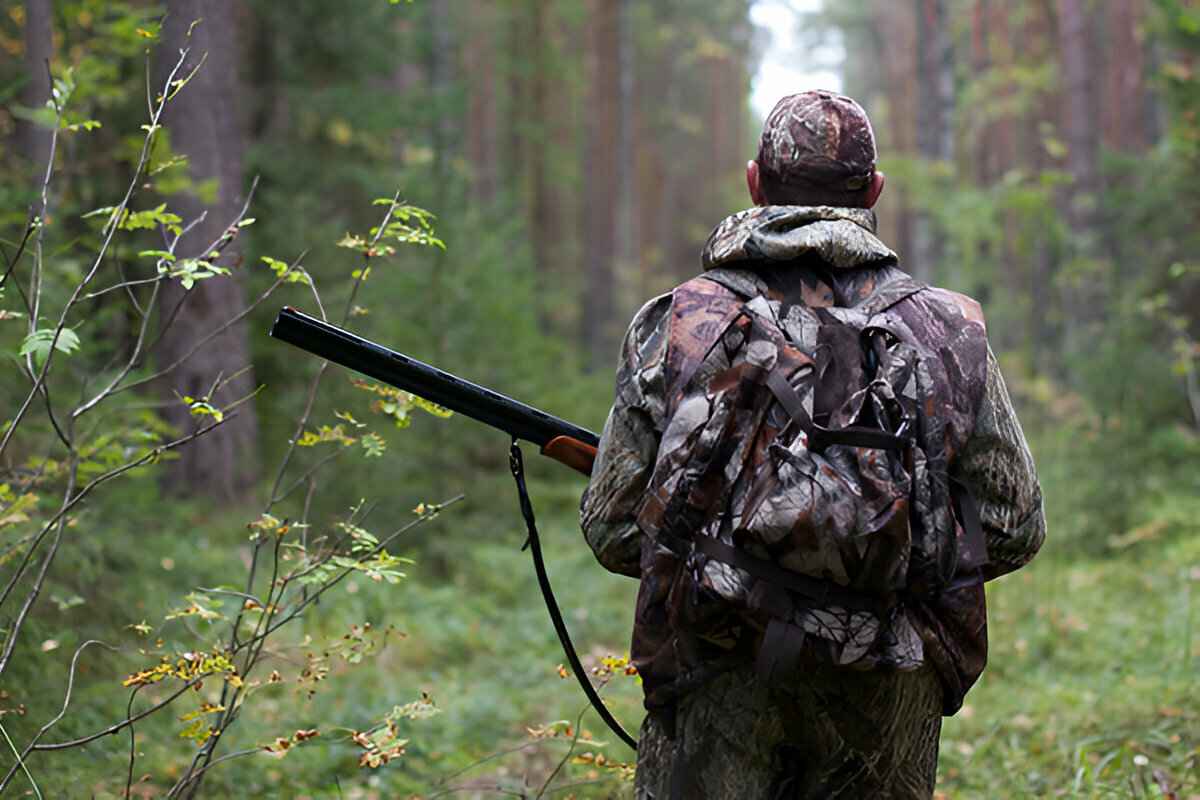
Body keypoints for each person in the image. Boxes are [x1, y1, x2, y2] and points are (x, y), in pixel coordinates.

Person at [580, 91, 1046, 799]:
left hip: (715, 671)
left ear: (754, 182)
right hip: (891, 678)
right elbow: (1015, 527)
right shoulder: (949, 328)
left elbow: (612, 529)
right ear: (874, 191)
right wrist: (883, 560)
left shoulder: (678, 323)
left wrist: (732, 560)